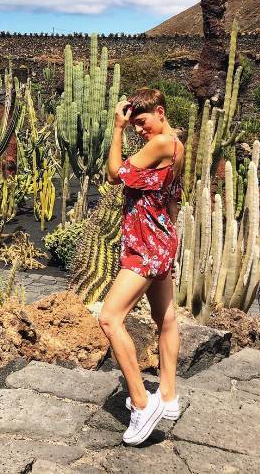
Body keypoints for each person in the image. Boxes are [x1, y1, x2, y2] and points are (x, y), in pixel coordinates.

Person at [99, 87, 183, 446]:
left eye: (142, 121)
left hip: (146, 246)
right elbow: (172, 198)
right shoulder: (177, 143)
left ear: (160, 112)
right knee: (166, 319)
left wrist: (116, 129)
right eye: (133, 125)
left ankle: (141, 402)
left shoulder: (161, 143)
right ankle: (168, 395)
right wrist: (168, 245)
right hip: (159, 239)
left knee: (109, 318)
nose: (139, 129)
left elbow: (114, 174)